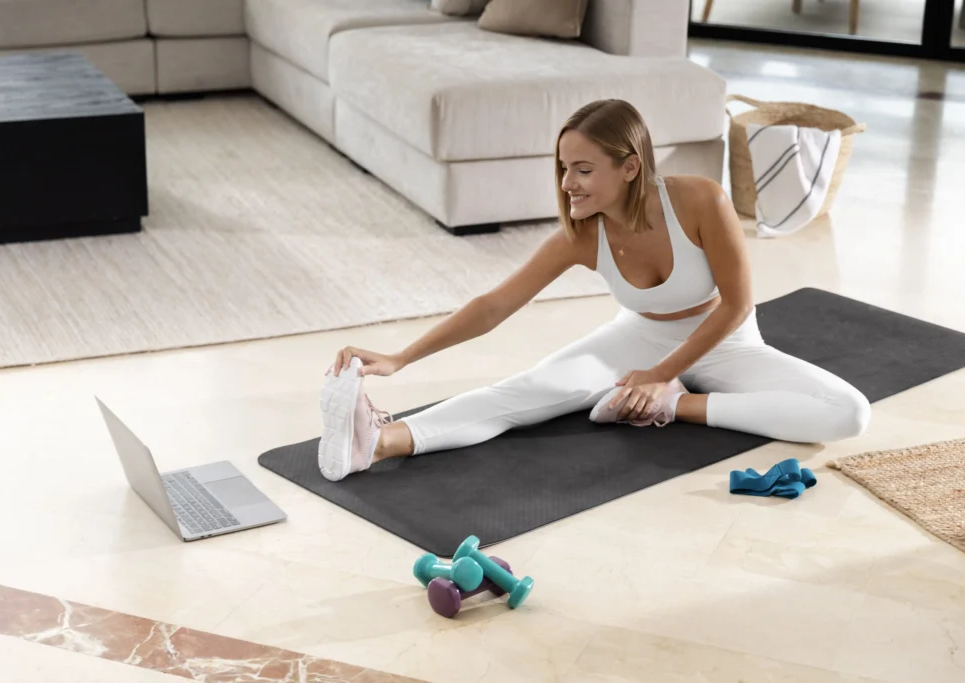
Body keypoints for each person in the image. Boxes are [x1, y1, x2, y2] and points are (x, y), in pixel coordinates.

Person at [315, 99, 871, 482]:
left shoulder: (701, 201)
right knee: (520, 395)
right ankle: (376, 443)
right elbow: (494, 307)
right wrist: (400, 357)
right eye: (563, 168)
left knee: (847, 413)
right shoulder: (583, 235)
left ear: (630, 167)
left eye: (582, 169)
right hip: (637, 343)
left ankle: (679, 406)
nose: (566, 183)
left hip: (727, 343)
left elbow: (736, 305)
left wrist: (663, 385)